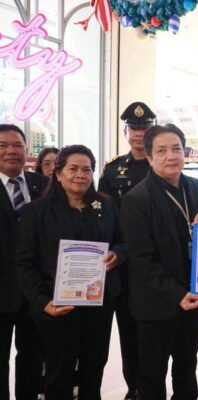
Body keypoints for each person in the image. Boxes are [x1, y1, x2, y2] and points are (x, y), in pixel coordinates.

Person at [15, 144, 124, 399]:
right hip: (57, 306)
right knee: (59, 373)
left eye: (87, 169)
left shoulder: (105, 204)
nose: (80, 175)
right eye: (73, 169)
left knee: (94, 367)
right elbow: (24, 263)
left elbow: (123, 241)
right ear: (58, 173)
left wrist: (117, 255)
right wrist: (43, 301)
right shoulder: (37, 211)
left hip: (98, 303)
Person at [120, 124, 198, 400]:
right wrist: (177, 294)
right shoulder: (136, 199)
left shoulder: (195, 187)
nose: (171, 156)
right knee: (152, 373)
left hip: (195, 296)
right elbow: (141, 260)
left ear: (185, 152)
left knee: (187, 367)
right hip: (156, 303)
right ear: (149, 157)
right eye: (161, 151)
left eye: (176, 149)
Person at [98, 101, 155, 400]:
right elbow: (101, 214)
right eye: (134, 128)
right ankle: (134, 389)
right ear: (125, 132)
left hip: (155, 263)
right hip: (122, 265)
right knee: (128, 332)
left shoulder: (161, 164)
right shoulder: (113, 169)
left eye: (144, 128)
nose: (139, 133)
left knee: (155, 334)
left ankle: (152, 388)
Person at [0, 124, 46, 400]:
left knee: (32, 358)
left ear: (27, 149)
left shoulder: (43, 184)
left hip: (35, 294)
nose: (11, 151)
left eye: (17, 144)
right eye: (3, 145)